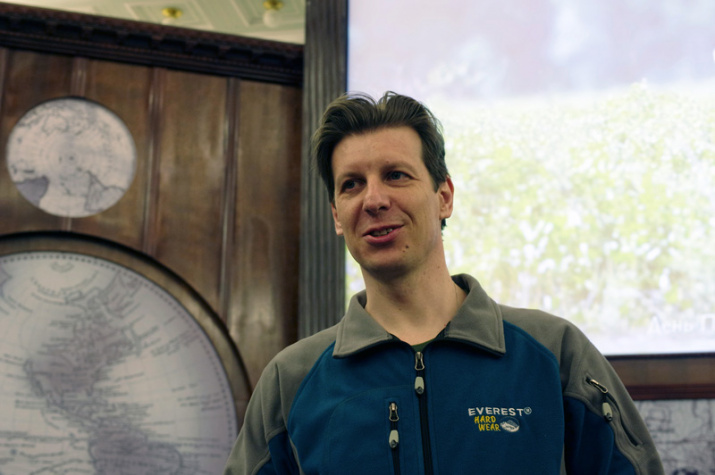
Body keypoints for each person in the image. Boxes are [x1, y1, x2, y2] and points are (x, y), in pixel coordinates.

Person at [223, 91, 664, 474]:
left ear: (444, 197)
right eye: (352, 184)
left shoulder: (554, 354)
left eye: (396, 175)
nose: (374, 199)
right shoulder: (291, 380)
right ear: (337, 216)